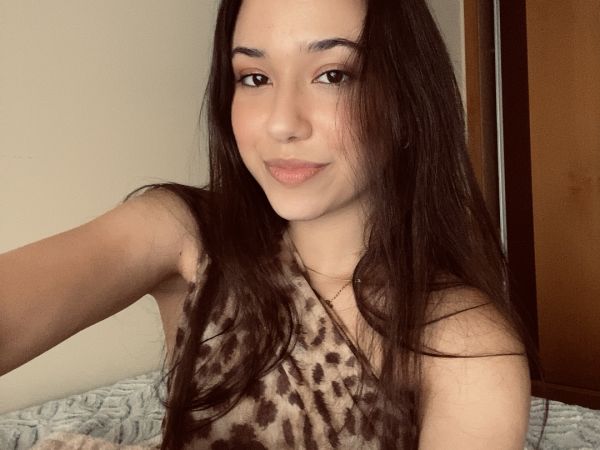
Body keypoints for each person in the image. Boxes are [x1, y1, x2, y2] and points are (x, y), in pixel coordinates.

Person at [0, 0, 535, 448]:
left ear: (408, 99)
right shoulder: (188, 234)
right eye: (254, 77)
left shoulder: (466, 340)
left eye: (333, 75)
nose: (281, 123)